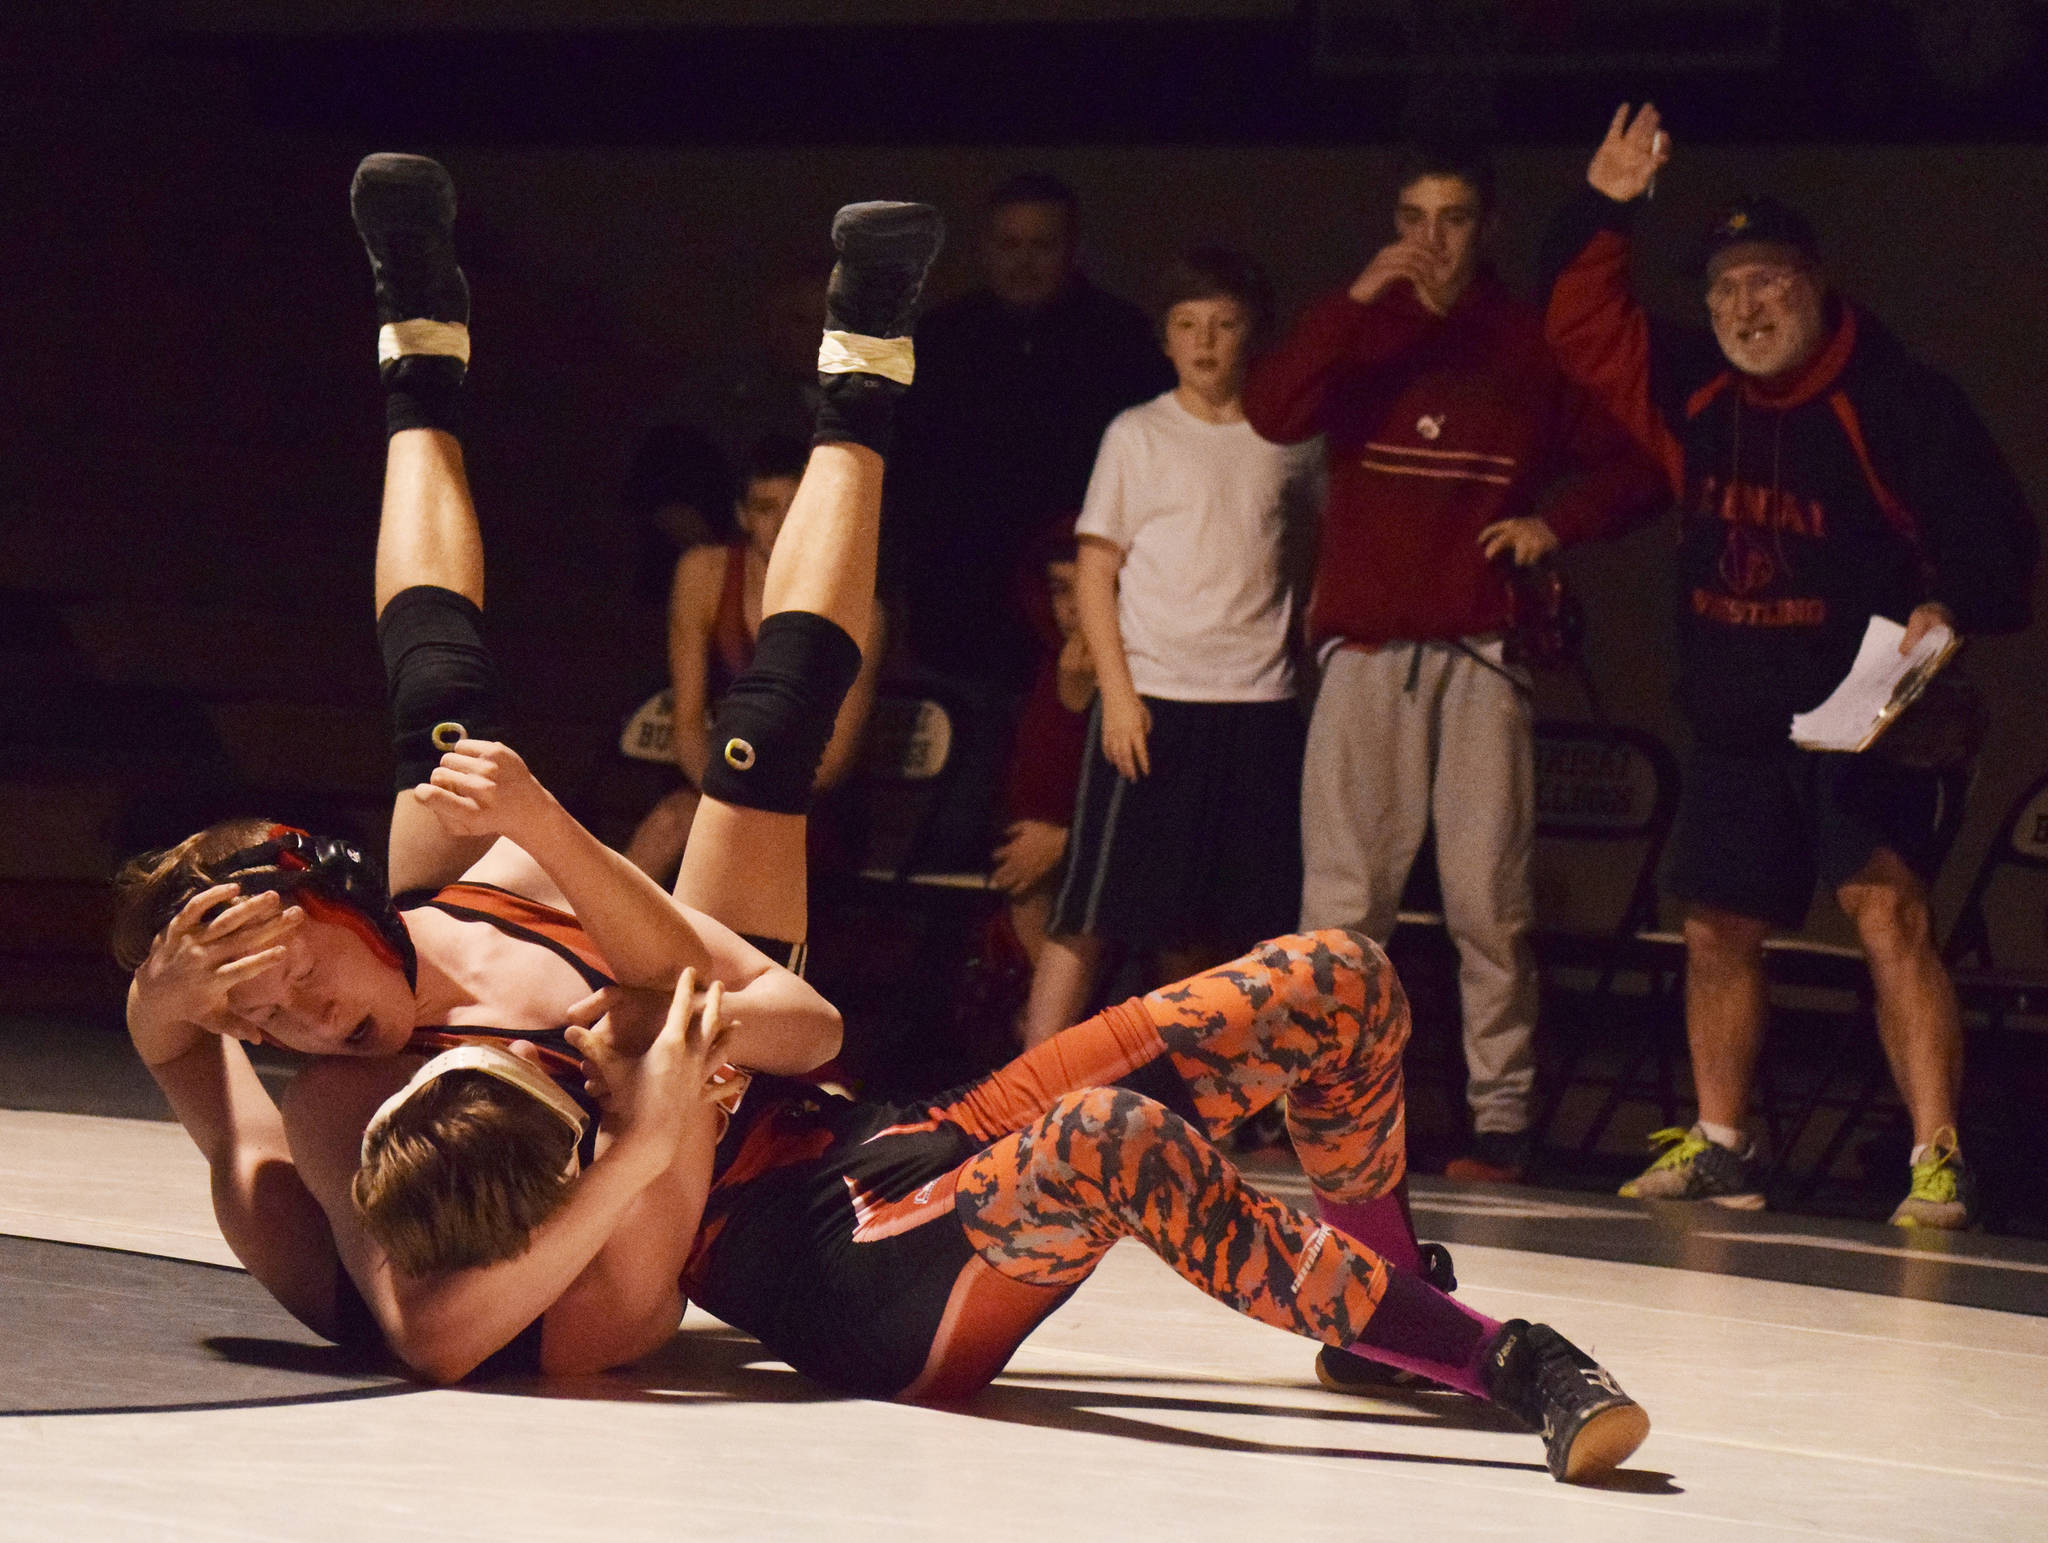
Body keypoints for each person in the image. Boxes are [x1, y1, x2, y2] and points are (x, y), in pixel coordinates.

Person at [111, 153, 929, 1377]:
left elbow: (193, 1048)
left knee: (445, 706)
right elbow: (808, 1034)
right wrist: (646, 1126)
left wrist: (546, 838)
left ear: (346, 899)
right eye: (261, 1022)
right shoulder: (340, 1103)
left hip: (577, 1040)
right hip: (595, 1251)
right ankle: (863, 371)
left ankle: (417, 347)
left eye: (290, 981)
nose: (304, 1023)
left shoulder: (463, 923)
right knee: (771, 749)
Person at [1544, 104, 2039, 1226]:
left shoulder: (1895, 396)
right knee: (1717, 923)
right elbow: (1578, 327)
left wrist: (1943, 603)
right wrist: (1602, 207)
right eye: (1721, 288)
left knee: (1882, 910)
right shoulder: (1692, 392)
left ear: (1813, 284)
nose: (1741, 307)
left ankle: (1936, 1156)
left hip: (1862, 715)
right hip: (1735, 709)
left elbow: (1994, 539)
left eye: (1764, 282)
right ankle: (1722, 1144)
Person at [1244, 144, 1670, 1183]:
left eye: (1451, 217)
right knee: (1343, 903)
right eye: (1411, 213)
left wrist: (1550, 523)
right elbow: (1270, 411)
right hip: (1364, 649)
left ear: (1483, 228)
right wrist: (1353, 302)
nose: (1427, 237)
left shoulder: (1523, 343)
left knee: (1490, 901)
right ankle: (1323, 1105)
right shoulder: (1362, 328)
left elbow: (1636, 464)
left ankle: (1501, 1122)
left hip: (1477, 648)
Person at [1025, 247, 1322, 1047]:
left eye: (1224, 325)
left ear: (1252, 334)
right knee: (1095, 904)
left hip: (1256, 701)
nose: (1205, 341)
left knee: (1227, 916)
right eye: (1188, 325)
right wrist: (1120, 695)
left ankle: (1210, 1091)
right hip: (1157, 699)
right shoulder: (1139, 434)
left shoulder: (1288, 440)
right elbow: (1096, 572)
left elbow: (1314, 548)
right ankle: (1019, 1089)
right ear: (1164, 339)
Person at [887, 172, 1174, 700]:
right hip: (959, 608)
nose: (1023, 262)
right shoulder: (942, 339)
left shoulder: (1119, 340)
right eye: (1008, 245)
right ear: (984, 249)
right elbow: (906, 475)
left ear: (1073, 250)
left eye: (1042, 245)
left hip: (1081, 609)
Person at [622, 433, 885, 883]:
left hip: (806, 803)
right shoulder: (704, 575)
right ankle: (582, 946)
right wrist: (722, 796)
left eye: (797, 507)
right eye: (766, 508)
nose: (783, 523)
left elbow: (836, 760)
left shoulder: (858, 608)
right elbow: (686, 724)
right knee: (674, 821)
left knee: (729, 844)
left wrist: (746, 804)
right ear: (743, 515)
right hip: (714, 781)